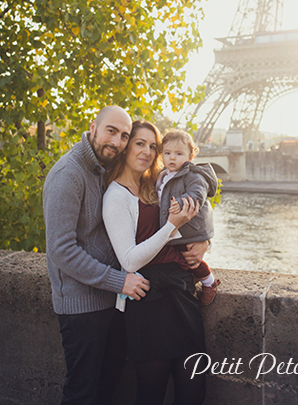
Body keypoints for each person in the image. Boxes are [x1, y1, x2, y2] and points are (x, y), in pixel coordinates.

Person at [43, 105, 151, 405]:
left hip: (107, 301)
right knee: (83, 393)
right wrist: (119, 281)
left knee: (106, 388)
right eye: (111, 131)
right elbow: (61, 250)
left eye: (124, 136)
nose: (116, 142)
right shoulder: (69, 173)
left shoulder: (104, 170)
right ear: (93, 127)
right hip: (80, 308)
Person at [102, 120, 206, 405]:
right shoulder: (115, 196)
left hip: (181, 294)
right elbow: (129, 259)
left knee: (194, 388)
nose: (148, 151)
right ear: (125, 148)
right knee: (152, 391)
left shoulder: (156, 183)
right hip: (148, 299)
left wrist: (205, 241)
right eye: (139, 143)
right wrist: (172, 226)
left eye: (153, 146)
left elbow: (200, 205)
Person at [157, 128, 221, 305]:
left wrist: (182, 201)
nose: (171, 158)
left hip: (190, 230)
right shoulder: (163, 175)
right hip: (177, 229)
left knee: (191, 259)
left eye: (178, 154)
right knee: (182, 259)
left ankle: (209, 283)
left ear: (190, 156)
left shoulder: (193, 175)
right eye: (167, 153)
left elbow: (197, 194)